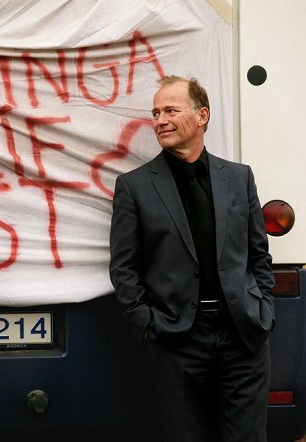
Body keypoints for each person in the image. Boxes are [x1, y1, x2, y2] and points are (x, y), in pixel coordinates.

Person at [109, 76, 274, 441]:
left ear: (202, 116)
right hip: (176, 340)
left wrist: (263, 308)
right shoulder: (134, 187)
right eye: (155, 112)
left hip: (243, 334)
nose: (159, 120)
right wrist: (148, 324)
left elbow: (258, 253)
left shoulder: (238, 178)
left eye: (170, 110)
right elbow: (124, 268)